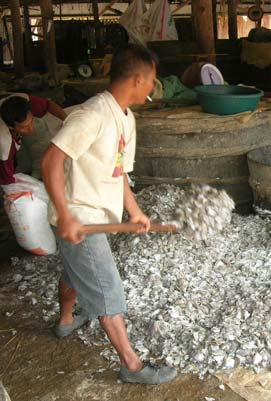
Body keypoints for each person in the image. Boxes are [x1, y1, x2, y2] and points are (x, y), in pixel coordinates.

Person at [41, 44, 177, 385]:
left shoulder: (126, 120)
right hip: (81, 220)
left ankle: (65, 320)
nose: (152, 88)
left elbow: (119, 174)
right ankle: (131, 365)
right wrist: (65, 213)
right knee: (107, 290)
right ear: (137, 79)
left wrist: (134, 211)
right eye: (152, 81)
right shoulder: (92, 115)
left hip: (94, 216)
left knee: (75, 273)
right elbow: (51, 161)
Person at [0, 94, 67, 186]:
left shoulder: (24, 102)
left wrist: (68, 121)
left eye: (31, 121)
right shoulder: (4, 142)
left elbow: (48, 105)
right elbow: (6, 180)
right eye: (24, 127)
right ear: (10, 127)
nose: (31, 128)